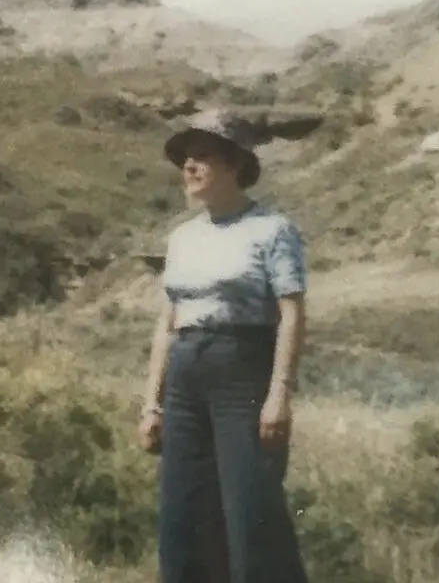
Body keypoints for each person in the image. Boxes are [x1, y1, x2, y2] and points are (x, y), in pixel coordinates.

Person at [138, 108, 310, 583]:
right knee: (185, 512)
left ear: (235, 164)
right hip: (186, 377)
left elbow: (292, 313)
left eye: (203, 157)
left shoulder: (272, 229)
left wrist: (280, 393)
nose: (189, 168)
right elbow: (167, 322)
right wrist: (151, 404)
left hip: (244, 374)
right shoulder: (181, 238)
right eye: (185, 160)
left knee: (251, 510)